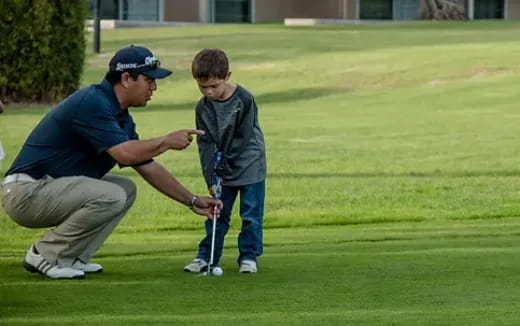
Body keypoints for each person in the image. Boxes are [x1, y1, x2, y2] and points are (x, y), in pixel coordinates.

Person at [1, 45, 222, 280]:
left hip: (48, 189)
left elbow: (147, 165)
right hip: (26, 193)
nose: (154, 87)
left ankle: (74, 256)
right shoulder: (93, 102)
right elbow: (125, 154)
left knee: (125, 189)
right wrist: (166, 141)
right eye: (149, 80)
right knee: (111, 195)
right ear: (126, 78)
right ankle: (46, 254)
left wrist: (193, 201)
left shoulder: (119, 115)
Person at [184, 49, 266, 274]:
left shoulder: (244, 99)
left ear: (227, 76)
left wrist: (223, 166)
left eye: (214, 86)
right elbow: (206, 144)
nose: (209, 92)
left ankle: (248, 257)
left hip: (249, 163)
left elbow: (242, 137)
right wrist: (211, 177)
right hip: (222, 169)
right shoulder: (203, 107)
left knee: (250, 214)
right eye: (203, 87)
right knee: (217, 213)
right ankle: (206, 257)